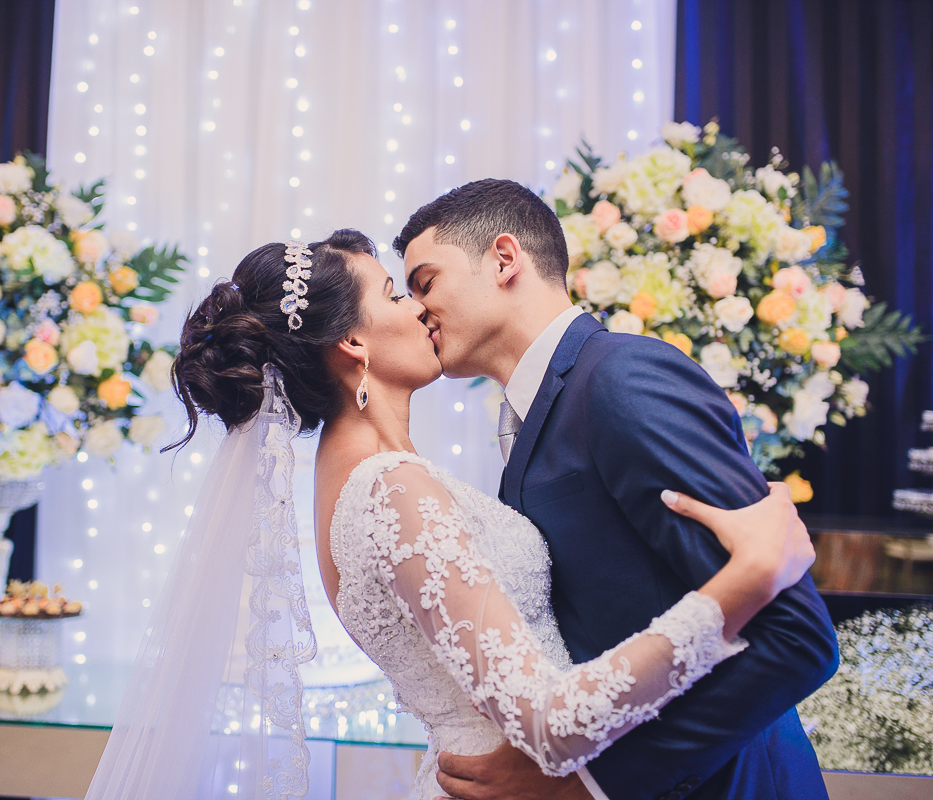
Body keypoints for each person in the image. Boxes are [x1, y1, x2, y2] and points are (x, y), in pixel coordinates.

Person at [84, 229, 819, 800]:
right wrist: (744, 581)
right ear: (352, 342)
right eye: (394, 294)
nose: (419, 308)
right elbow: (551, 725)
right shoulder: (390, 491)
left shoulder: (361, 485)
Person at [392, 180, 840, 800]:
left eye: (425, 282)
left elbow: (794, 635)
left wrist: (586, 785)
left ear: (504, 259)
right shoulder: (536, 415)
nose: (416, 309)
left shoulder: (621, 377)